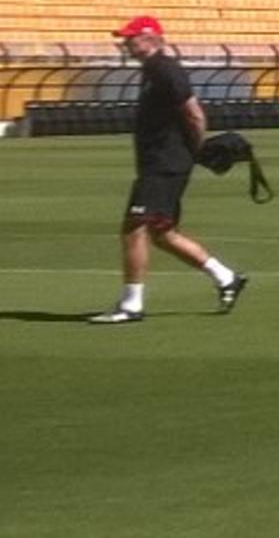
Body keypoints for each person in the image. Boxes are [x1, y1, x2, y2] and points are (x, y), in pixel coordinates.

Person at [90, 17, 246, 324]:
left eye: (131, 39)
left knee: (134, 227)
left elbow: (194, 114)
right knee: (162, 232)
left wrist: (196, 148)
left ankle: (131, 305)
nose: (126, 45)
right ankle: (226, 277)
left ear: (150, 38)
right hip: (161, 161)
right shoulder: (153, 70)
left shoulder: (165, 69)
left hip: (165, 163)